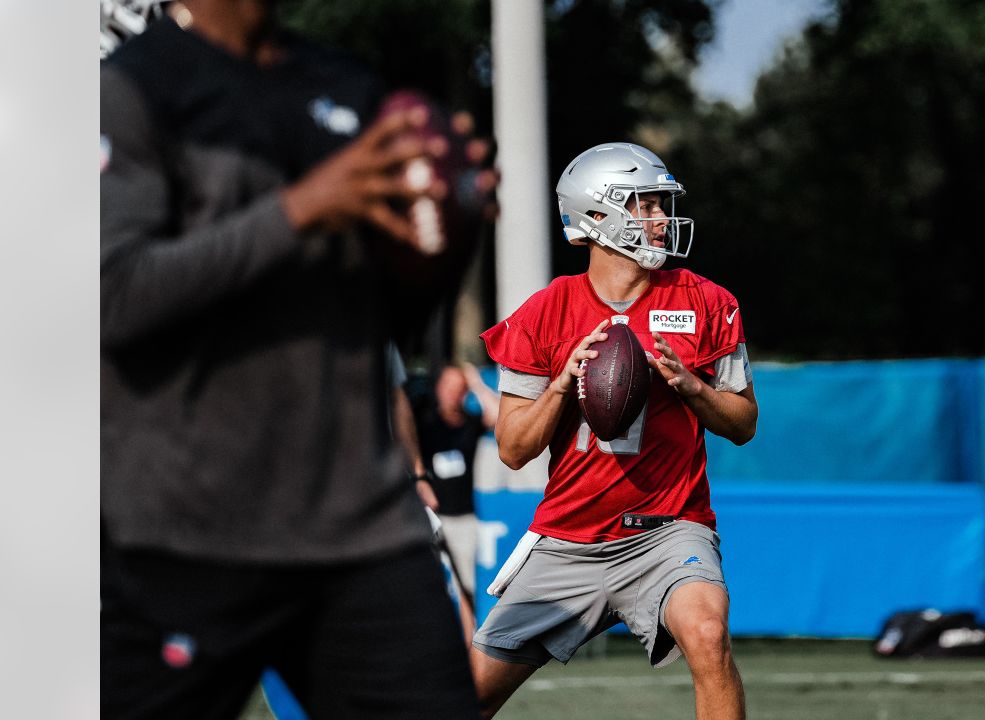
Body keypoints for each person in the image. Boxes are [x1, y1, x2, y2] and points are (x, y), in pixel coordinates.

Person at [100, 1, 482, 717]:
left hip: (359, 528)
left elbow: (375, 324)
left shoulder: (350, 88)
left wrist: (445, 240)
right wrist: (299, 209)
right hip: (186, 531)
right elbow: (112, 297)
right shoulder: (132, 86)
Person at [472, 142, 758, 719]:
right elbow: (513, 448)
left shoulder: (706, 301)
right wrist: (561, 382)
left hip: (668, 530)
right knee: (460, 697)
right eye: (645, 204)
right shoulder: (546, 311)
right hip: (569, 539)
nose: (660, 219)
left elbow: (745, 424)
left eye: (661, 204)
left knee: (707, 633)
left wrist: (693, 388)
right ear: (596, 217)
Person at [411, 362, 499, 642]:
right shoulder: (423, 424)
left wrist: (475, 382)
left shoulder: (469, 423)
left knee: (465, 587)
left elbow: (498, 416)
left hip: (463, 518)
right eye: (448, 387)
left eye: (458, 388)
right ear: (438, 389)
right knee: (425, 587)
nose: (453, 394)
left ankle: (466, 643)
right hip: (428, 516)